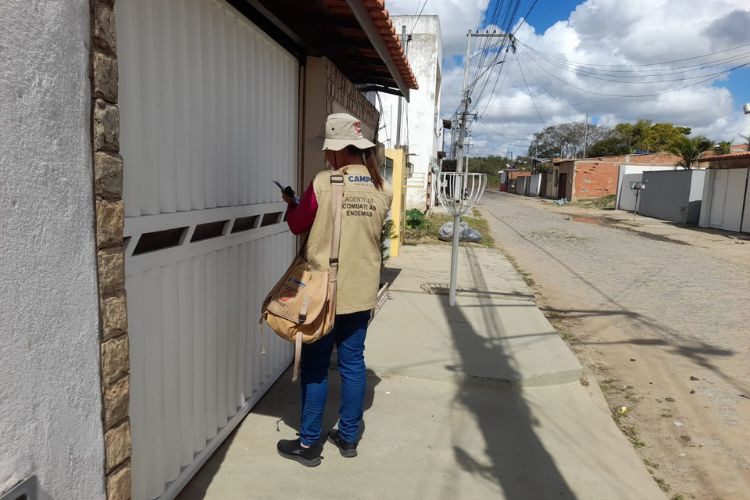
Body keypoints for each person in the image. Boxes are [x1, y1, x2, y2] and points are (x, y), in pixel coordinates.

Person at [276, 113, 392, 467]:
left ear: (339, 150)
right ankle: (349, 437)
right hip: (361, 291)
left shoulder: (324, 182)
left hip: (322, 294)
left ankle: (309, 443)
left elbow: (298, 224)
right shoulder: (382, 188)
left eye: (329, 150)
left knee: (315, 365)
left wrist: (293, 205)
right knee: (353, 363)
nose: (327, 156)